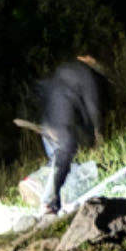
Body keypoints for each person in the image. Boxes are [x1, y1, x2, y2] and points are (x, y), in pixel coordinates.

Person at [36, 55, 106, 214]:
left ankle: (54, 203)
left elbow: (44, 88)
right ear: (88, 60)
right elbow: (93, 107)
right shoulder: (87, 75)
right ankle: (46, 199)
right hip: (63, 123)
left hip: (46, 123)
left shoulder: (63, 68)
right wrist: (97, 132)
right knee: (63, 160)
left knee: (58, 162)